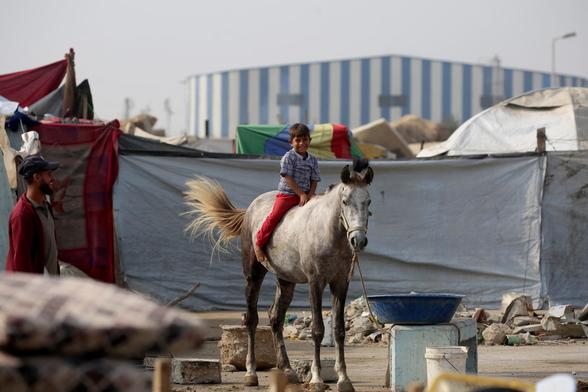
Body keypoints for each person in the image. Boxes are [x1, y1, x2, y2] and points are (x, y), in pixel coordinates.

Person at [254, 123, 321, 261]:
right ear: (291, 142)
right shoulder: (288, 157)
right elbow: (287, 176)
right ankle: (259, 243)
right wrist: (301, 193)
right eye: (298, 140)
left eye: (305, 139)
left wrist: (310, 194)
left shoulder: (313, 160)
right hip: (288, 194)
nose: (302, 143)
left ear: (310, 140)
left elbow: (315, 179)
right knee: (274, 216)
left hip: (307, 195)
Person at [5, 155, 60, 275]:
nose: (52, 178)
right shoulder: (22, 215)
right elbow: (21, 265)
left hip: (51, 287)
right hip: (35, 290)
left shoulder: (45, 206)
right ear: (37, 177)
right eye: (49, 174)